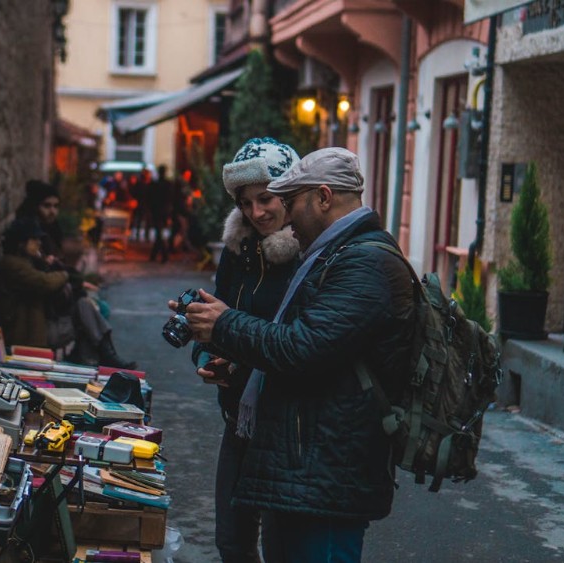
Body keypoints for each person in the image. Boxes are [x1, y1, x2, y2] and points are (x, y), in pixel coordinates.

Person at [178, 147, 418, 563]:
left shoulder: (363, 262)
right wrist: (224, 351)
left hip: (330, 461)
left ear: (323, 198)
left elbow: (300, 347)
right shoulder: (335, 253)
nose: (281, 214)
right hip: (308, 451)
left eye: (289, 201)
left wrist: (224, 324)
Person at [190, 138, 301, 563]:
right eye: (246, 202)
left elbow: (299, 341)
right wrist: (207, 356)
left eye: (266, 198)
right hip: (239, 412)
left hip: (287, 423)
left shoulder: (309, 256)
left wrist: (233, 337)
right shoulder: (237, 251)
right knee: (231, 542)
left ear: (289, 193)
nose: (257, 213)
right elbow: (218, 320)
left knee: (279, 546)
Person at [12, 180, 137, 369]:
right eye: (47, 206)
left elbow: (61, 271)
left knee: (91, 306)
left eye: (55, 206)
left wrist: (61, 272)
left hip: (56, 308)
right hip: (43, 321)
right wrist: (61, 273)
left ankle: (98, 356)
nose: (52, 211)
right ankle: (102, 356)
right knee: (86, 308)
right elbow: (48, 280)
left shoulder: (49, 234)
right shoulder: (19, 259)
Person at [0, 219, 70, 349]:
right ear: (21, 243)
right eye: (34, 239)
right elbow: (45, 282)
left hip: (32, 331)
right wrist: (64, 275)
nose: (38, 243)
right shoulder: (12, 264)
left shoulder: (26, 261)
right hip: (23, 335)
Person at [148, 165, 174, 263]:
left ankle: (161, 255)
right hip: (164, 212)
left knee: (159, 233)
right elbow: (170, 199)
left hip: (157, 212)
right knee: (159, 233)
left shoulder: (154, 184)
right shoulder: (168, 184)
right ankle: (157, 255)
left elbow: (150, 199)